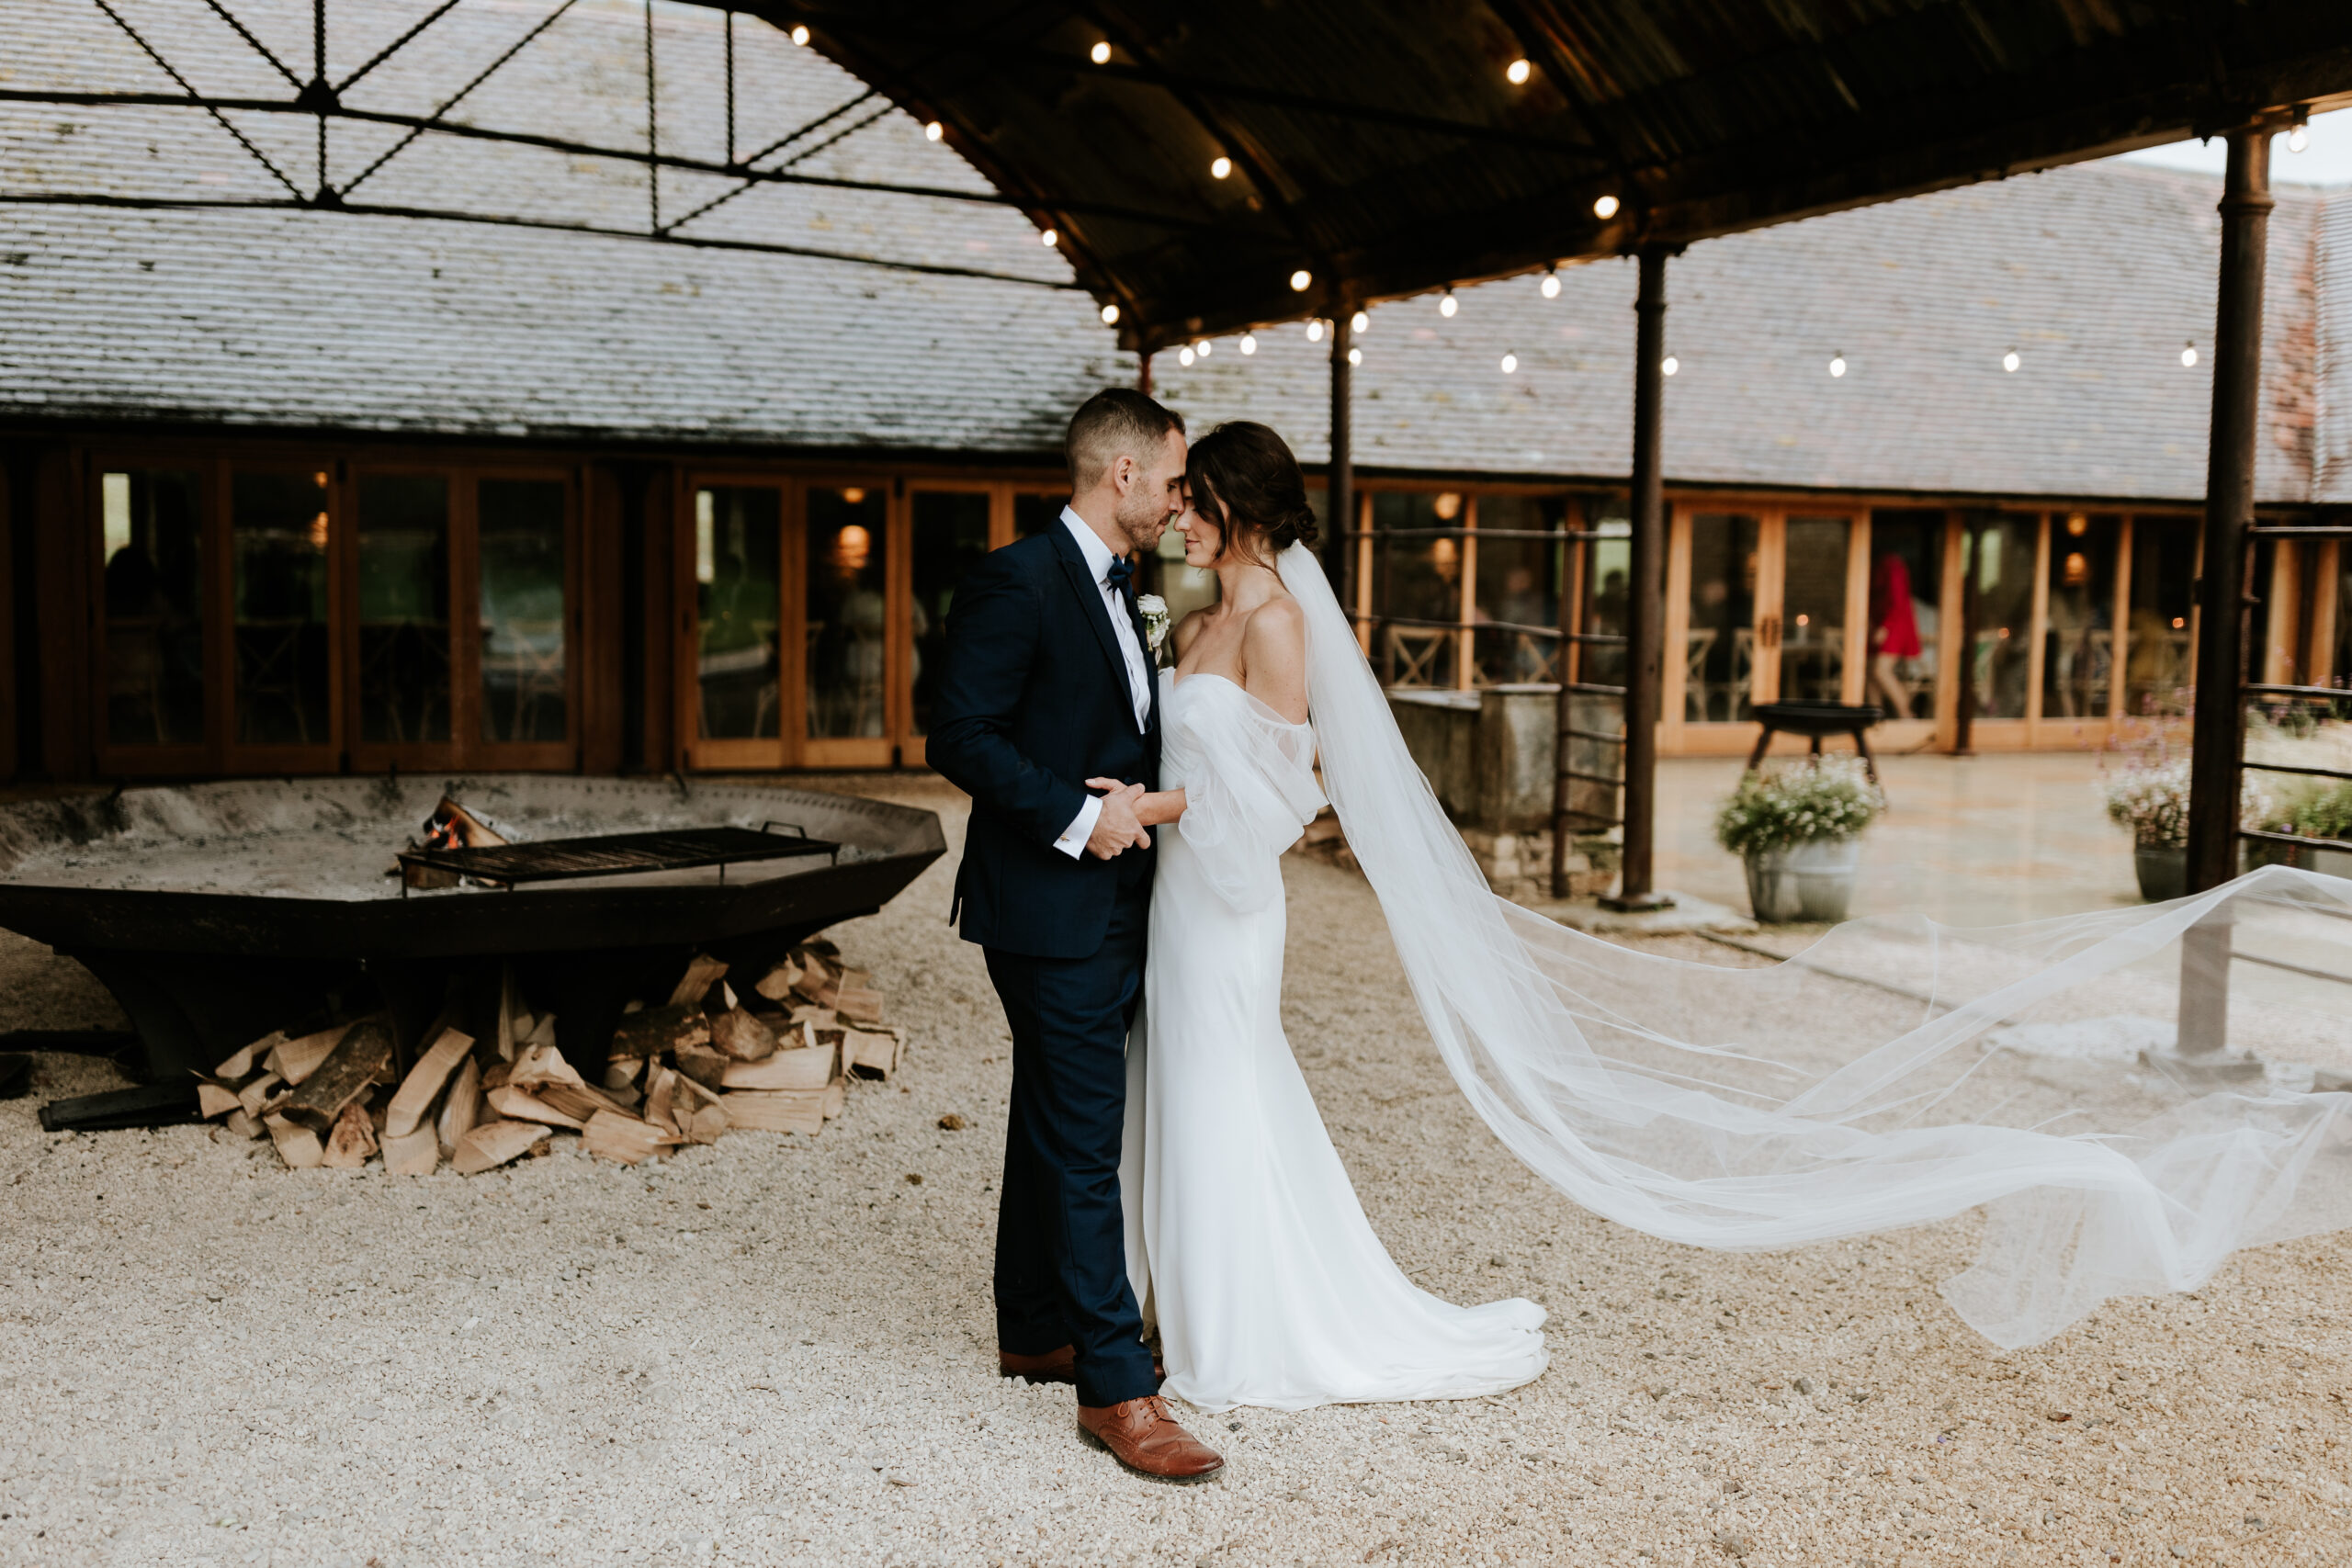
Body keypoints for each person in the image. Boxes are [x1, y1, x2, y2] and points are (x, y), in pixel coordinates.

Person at [1108, 422, 1549, 1411]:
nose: (1175, 514)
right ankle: (1166, 1303)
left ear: (1243, 511)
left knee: (1223, 1083)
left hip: (1229, 904)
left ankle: (1235, 1325)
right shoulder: (1189, 624)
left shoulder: (1276, 624)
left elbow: (1278, 802)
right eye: (1175, 498)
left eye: (1193, 499)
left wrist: (1156, 808)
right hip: (1173, 897)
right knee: (1173, 1080)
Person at [927, 389, 1226, 1483]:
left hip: (1107, 906)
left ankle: (1034, 1324)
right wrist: (1077, 814)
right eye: (1173, 478)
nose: (1178, 497)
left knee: (1052, 1113)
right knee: (1086, 1132)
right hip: (1048, 909)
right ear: (1123, 475)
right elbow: (955, 731)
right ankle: (1117, 1386)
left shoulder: (1131, 586)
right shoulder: (1018, 577)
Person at [1867, 552, 1922, 717]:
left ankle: (1907, 714)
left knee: (1880, 670)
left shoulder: (1892, 566)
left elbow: (1898, 601)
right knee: (1869, 670)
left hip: (1894, 624)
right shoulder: (1872, 564)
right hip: (1878, 624)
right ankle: (1874, 715)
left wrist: (1885, 627)